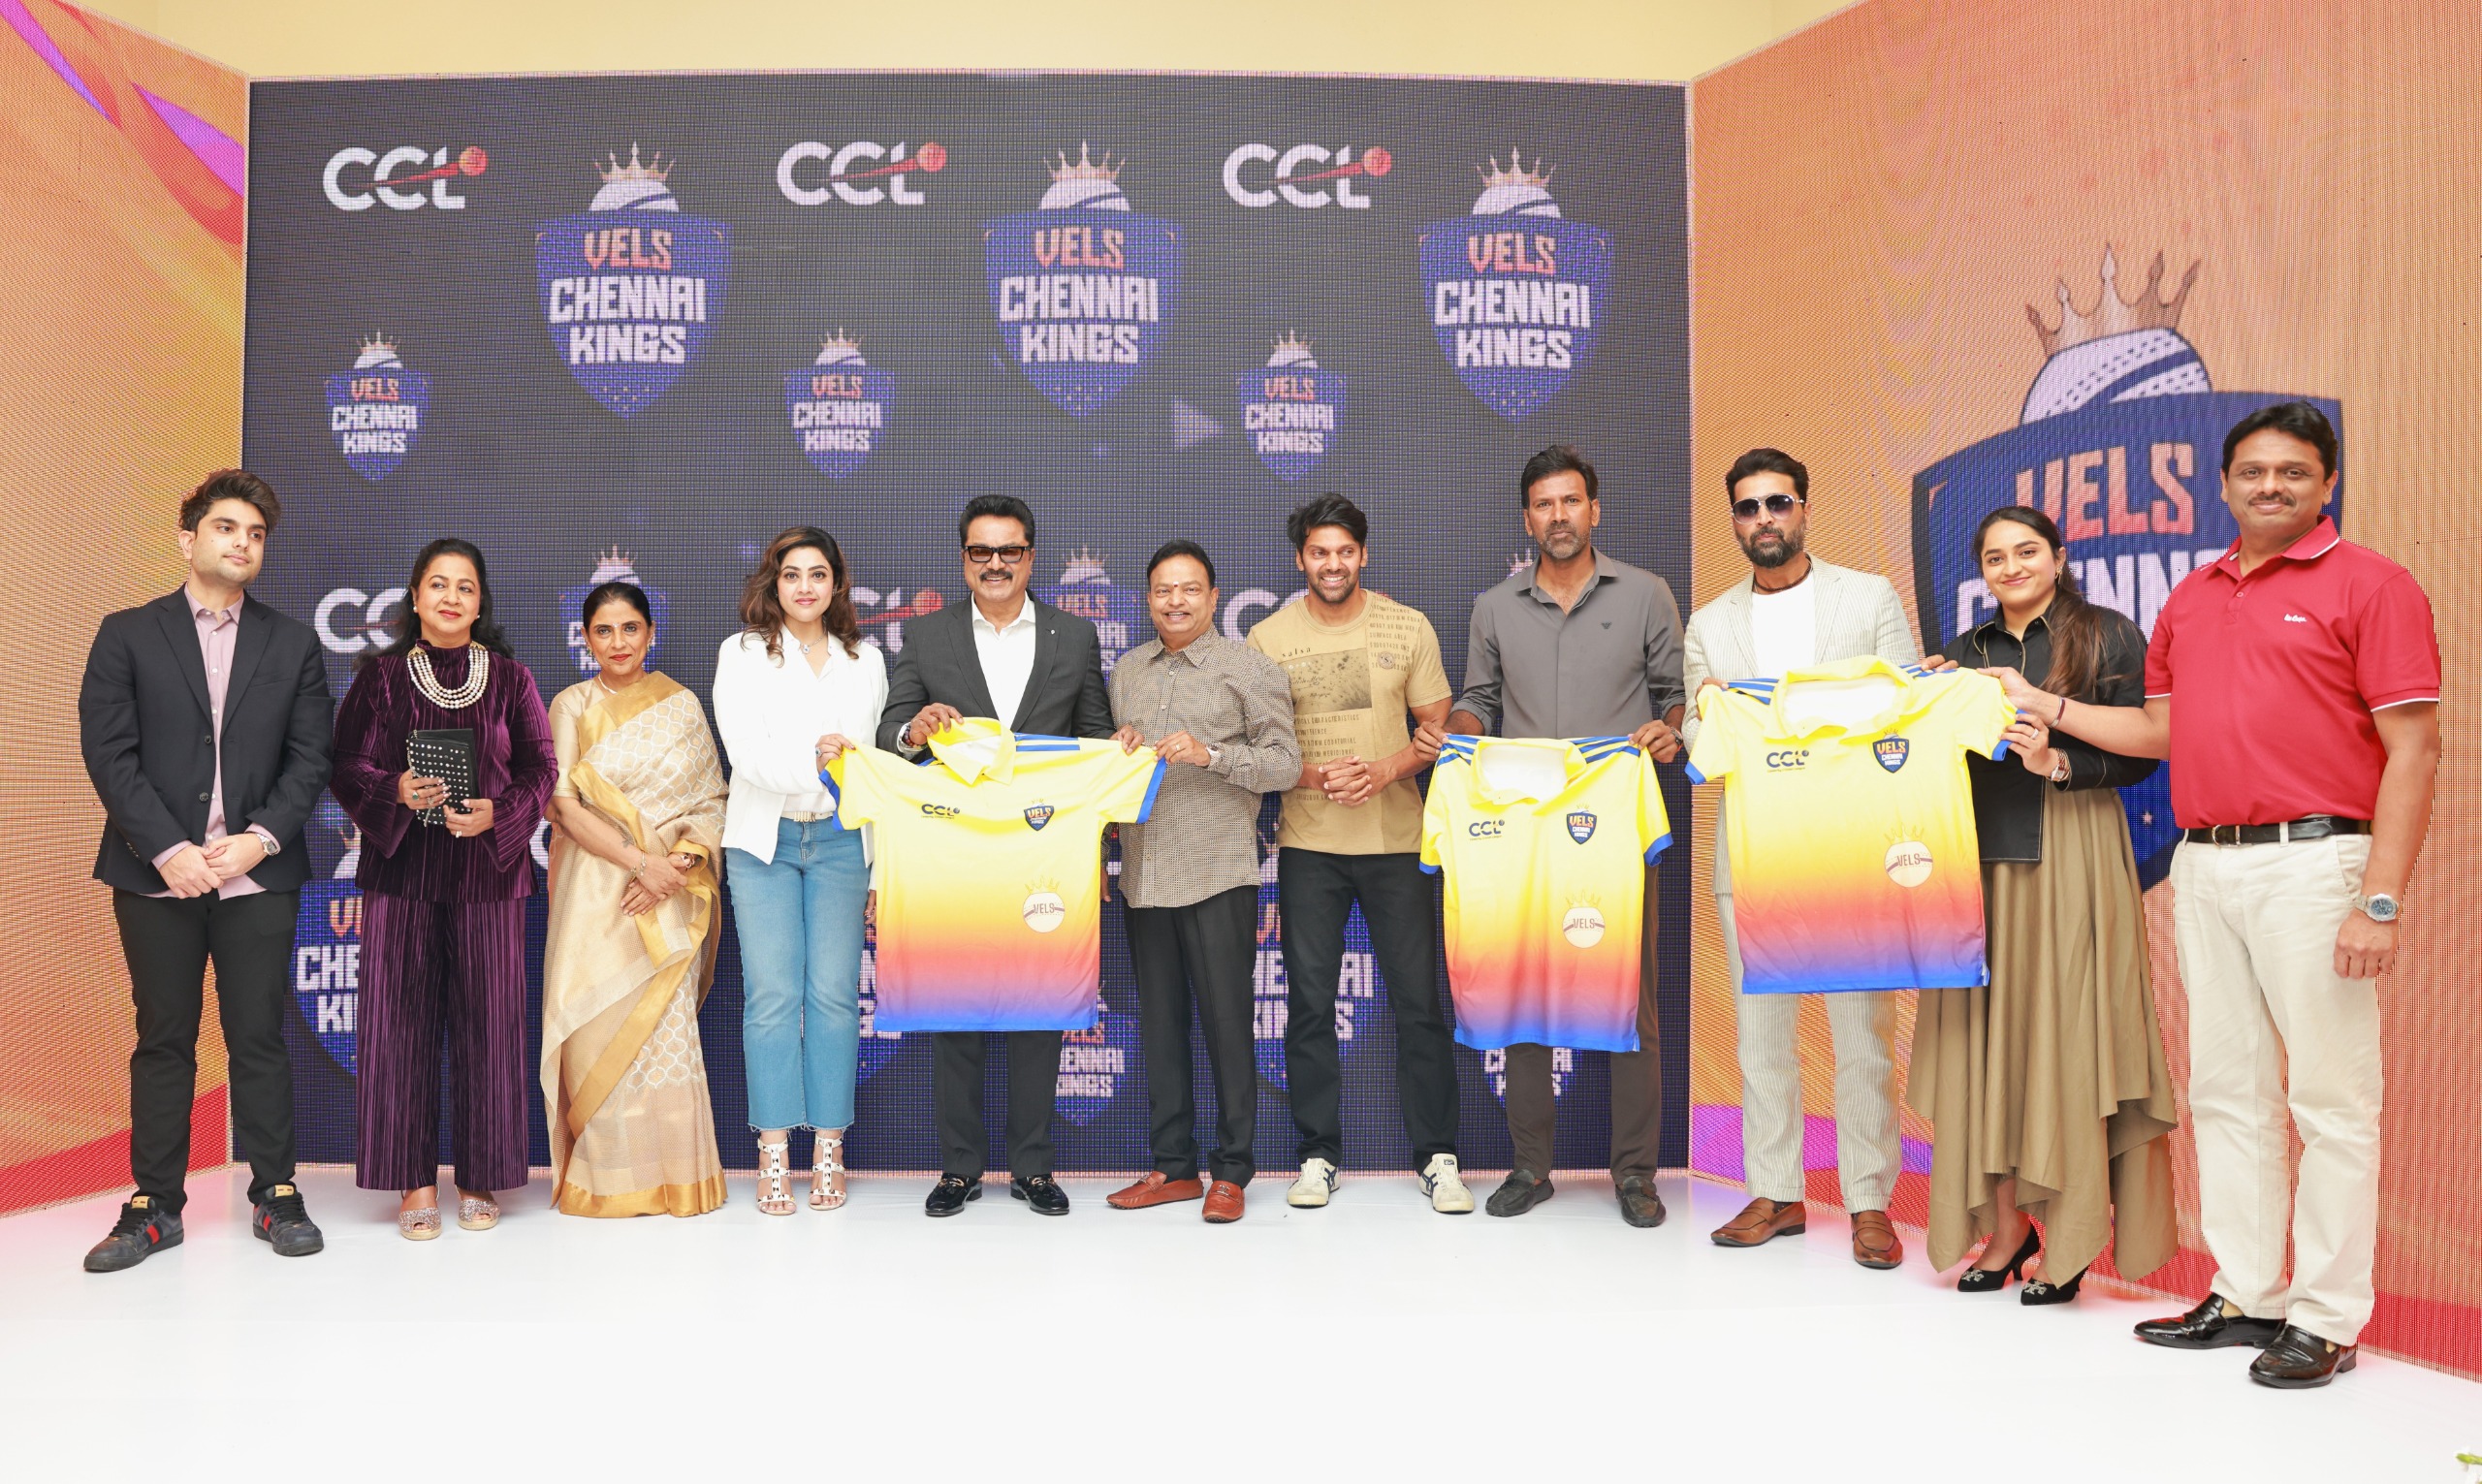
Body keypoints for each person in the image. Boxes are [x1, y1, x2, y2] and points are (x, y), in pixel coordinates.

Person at [1988, 403, 2439, 1388]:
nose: (2270, 486)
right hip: (2206, 864)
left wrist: (2380, 898)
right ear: (2224, 484)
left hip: (2316, 863)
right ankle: (2248, 1293)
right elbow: (2160, 734)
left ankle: (2326, 1316)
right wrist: (2045, 706)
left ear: (2327, 483)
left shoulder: (2374, 584)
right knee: (2228, 1093)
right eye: (2252, 472)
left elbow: (2413, 748)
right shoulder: (2191, 597)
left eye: (2293, 471)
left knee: (2330, 1101)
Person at [1910, 507, 2177, 1301]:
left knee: (2066, 1036)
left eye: (2026, 551)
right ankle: (2006, 1231)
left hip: (2071, 848)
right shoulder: (1964, 652)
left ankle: (2073, 1233)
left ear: (2058, 557)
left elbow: (2151, 742)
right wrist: (1920, 704)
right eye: (1995, 557)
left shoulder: (2105, 634)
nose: (2012, 567)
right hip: (1975, 864)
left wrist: (2055, 754)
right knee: (1985, 1048)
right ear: (1982, 572)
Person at [76, 471, 334, 1272]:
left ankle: (275, 1191)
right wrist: (168, 849)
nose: (242, 543)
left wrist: (260, 838)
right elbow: (109, 753)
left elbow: (310, 757)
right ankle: (154, 1204)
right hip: (157, 875)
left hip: (257, 874)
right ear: (188, 538)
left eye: (255, 534)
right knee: (164, 1037)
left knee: (257, 1034)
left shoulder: (292, 644)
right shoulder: (126, 634)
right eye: (226, 528)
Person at [1681, 448, 1919, 1269]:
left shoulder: (1869, 596)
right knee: (1762, 1039)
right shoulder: (1709, 624)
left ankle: (1869, 1201)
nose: (1764, 519)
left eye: (1777, 503)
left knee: (1863, 1039)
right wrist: (1708, 714)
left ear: (1805, 509)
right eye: (1748, 507)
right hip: (1753, 852)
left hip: (1853, 852)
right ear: (1735, 522)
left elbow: (1907, 707)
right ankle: (1776, 1190)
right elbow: (1700, 747)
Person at [1447, 444, 1686, 1227]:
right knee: (1524, 992)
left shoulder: (1646, 594)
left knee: (1631, 999)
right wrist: (1455, 735)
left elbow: (1675, 695)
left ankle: (1636, 1174)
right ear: (1527, 519)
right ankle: (1530, 1166)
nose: (1559, 516)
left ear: (1595, 510)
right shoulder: (1494, 607)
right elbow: (1479, 700)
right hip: (1522, 833)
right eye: (1545, 504)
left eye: (1571, 501)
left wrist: (1671, 728)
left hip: (1615, 825)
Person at [875, 494, 1113, 1217]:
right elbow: (889, 734)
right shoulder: (928, 634)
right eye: (982, 551)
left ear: (1031, 557)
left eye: (1010, 550)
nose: (996, 564)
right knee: (955, 1012)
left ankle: (1034, 1168)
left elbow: (1094, 744)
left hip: (1045, 859)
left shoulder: (1075, 636)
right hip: (954, 857)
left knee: (1041, 1011)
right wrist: (914, 729)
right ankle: (959, 1168)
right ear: (964, 559)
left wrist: (1099, 847)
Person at [1248, 492, 1472, 1215]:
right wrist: (1317, 777)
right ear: (1300, 559)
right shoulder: (1267, 638)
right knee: (1309, 1006)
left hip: (1397, 842)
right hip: (1308, 845)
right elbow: (1259, 748)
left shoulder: (1407, 626)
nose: (1333, 563)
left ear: (1363, 555)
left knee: (1419, 1005)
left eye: (1345, 551)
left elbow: (1438, 731)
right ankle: (1317, 1156)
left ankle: (1437, 1158)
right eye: (1320, 552)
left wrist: (1384, 770)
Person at [330, 539, 558, 1240]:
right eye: (438, 584)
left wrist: (502, 813)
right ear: (416, 596)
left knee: (491, 1027)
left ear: (480, 602)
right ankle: (414, 1180)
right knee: (398, 1027)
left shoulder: (512, 679)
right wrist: (394, 788)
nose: (451, 597)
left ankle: (481, 1175)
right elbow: (346, 764)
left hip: (488, 875)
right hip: (403, 874)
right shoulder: (382, 676)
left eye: (465, 586)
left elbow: (542, 768)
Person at [1104, 541, 1299, 1223]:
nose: (1176, 601)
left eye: (1189, 589)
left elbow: (1285, 763)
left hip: (1217, 870)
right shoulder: (1127, 669)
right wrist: (1120, 747)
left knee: (1226, 1025)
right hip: (1145, 872)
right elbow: (1114, 771)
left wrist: (1209, 753)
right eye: (1163, 590)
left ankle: (1232, 1170)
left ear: (1214, 597)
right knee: (1160, 1028)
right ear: (1148, 599)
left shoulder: (1248, 668)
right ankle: (1174, 1166)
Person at [542, 580, 730, 1217]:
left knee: (663, 1033)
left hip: (668, 893)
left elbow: (711, 801)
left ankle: (674, 1178)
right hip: (594, 893)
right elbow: (561, 804)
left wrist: (679, 863)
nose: (618, 642)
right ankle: (604, 1181)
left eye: (630, 628)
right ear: (586, 638)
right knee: (594, 1027)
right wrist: (639, 863)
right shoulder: (571, 704)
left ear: (650, 633)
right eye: (604, 630)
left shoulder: (681, 705)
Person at [713, 527, 887, 1216]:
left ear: (837, 582)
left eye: (818, 574)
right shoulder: (742, 652)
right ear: (775, 582)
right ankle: (774, 1150)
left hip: (843, 841)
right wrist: (816, 762)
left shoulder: (865, 659)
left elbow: (876, 766)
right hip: (765, 842)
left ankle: (830, 1149)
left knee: (836, 996)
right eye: (793, 574)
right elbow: (745, 753)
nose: (806, 586)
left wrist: (880, 867)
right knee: (773, 997)